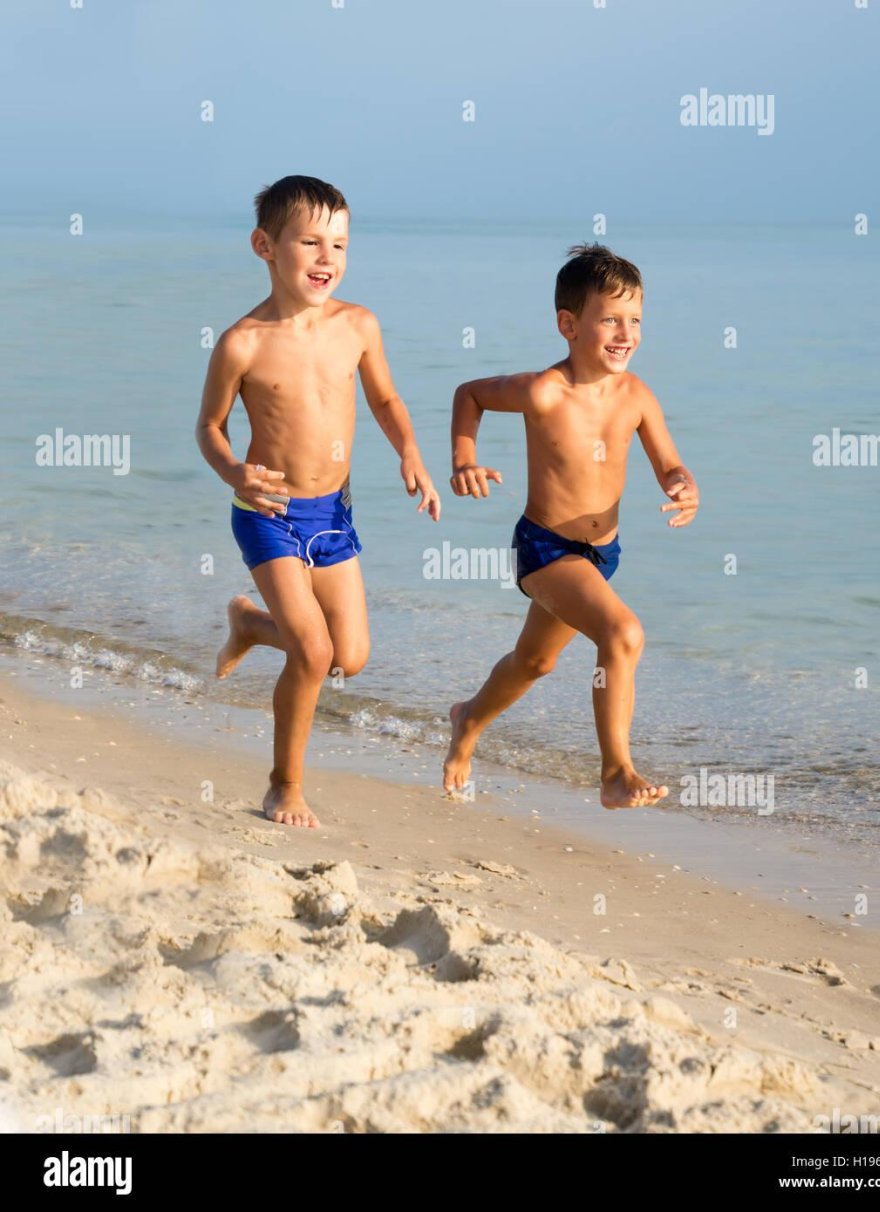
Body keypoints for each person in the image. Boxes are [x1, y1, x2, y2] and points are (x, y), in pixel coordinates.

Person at [196, 175, 440, 829]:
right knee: (313, 654)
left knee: (348, 657)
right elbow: (210, 428)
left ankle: (250, 624)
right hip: (268, 514)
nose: (327, 256)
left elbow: (386, 399)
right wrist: (233, 472)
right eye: (310, 241)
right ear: (265, 246)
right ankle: (285, 785)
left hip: (333, 514)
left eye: (339, 243)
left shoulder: (358, 326)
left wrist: (410, 453)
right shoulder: (241, 343)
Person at [444, 244, 698, 808]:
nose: (625, 332)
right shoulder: (544, 391)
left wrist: (683, 486)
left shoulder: (636, 394)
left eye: (634, 320)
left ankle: (467, 720)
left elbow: (669, 462)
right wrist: (465, 459)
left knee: (535, 661)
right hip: (545, 548)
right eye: (609, 318)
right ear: (568, 324)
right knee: (623, 633)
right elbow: (471, 394)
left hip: (602, 554)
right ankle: (615, 771)